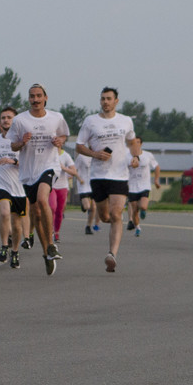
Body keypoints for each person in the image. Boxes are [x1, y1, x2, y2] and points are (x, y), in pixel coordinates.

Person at [5, 83, 69, 276]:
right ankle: (46, 252)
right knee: (37, 214)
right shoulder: (20, 120)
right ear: (29, 99)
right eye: (32, 96)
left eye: (39, 96)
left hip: (49, 166)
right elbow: (13, 146)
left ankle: (51, 245)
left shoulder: (56, 117)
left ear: (45, 98)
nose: (35, 99)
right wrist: (22, 142)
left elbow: (64, 135)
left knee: (42, 199)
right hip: (28, 172)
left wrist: (60, 141)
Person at [76, 86, 139, 272]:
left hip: (119, 175)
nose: (105, 102)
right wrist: (95, 154)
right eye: (103, 99)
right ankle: (114, 228)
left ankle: (112, 254)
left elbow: (132, 142)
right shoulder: (91, 121)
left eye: (109, 99)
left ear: (116, 101)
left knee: (116, 214)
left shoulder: (126, 121)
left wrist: (136, 156)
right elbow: (79, 146)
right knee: (104, 217)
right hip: (98, 175)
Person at [0, 106, 28, 269]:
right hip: (0, 184)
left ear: (15, 121)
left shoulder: (22, 141)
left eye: (9, 117)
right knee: (4, 213)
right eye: (3, 118)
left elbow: (30, 163)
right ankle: (4, 246)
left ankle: (15, 252)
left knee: (16, 225)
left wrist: (13, 161)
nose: (6, 120)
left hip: (19, 186)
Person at [127, 145, 160, 235]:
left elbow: (156, 166)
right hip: (132, 186)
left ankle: (143, 210)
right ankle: (137, 227)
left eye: (137, 142)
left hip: (144, 185)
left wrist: (156, 180)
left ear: (140, 144)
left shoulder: (147, 155)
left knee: (143, 206)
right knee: (134, 210)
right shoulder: (126, 156)